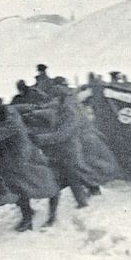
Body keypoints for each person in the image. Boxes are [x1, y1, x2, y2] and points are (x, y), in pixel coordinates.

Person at [0, 100, 60, 231]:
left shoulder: (11, 120)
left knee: (48, 186)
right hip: (12, 162)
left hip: (27, 159)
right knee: (19, 189)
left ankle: (52, 216)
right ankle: (27, 219)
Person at [29, 82, 92, 224]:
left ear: (60, 98)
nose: (51, 101)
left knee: (59, 183)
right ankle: (81, 203)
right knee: (71, 180)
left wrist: (40, 139)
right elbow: (46, 110)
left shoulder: (70, 112)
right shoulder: (59, 108)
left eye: (54, 98)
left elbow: (62, 134)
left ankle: (53, 217)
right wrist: (32, 112)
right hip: (59, 152)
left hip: (69, 152)